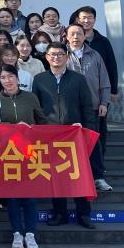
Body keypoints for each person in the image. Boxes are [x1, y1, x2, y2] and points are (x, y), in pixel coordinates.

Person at [32, 42, 97, 229]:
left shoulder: (78, 79)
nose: (56, 58)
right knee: (56, 176)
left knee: (78, 174)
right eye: (52, 54)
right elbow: (35, 108)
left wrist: (88, 130)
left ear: (67, 57)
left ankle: (84, 214)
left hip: (75, 134)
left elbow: (87, 106)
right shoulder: (40, 79)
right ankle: (59, 213)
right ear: (47, 57)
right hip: (51, 135)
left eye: (60, 54)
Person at [0, 65, 45, 248]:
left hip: (29, 152)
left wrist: (28, 127)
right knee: (12, 197)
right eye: (3, 77)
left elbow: (42, 121)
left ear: (18, 78)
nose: (7, 81)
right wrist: (13, 127)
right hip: (8, 153)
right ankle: (17, 233)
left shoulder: (30, 97)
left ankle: (31, 233)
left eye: (10, 76)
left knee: (30, 196)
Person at [64, 23, 113, 192]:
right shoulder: (62, 54)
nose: (76, 37)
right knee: (70, 144)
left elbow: (104, 81)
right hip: (69, 108)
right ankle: (71, 177)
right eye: (72, 34)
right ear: (66, 36)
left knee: (93, 142)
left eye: (79, 33)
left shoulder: (95, 55)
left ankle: (98, 177)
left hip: (92, 106)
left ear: (85, 36)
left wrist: (104, 103)